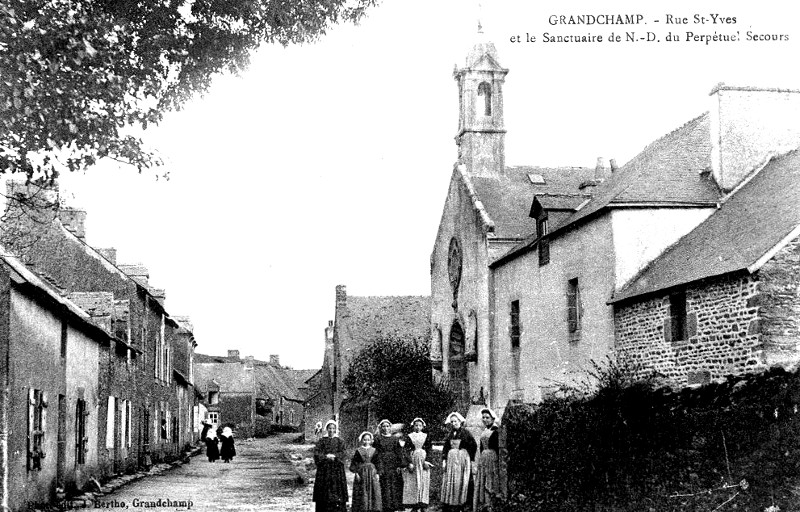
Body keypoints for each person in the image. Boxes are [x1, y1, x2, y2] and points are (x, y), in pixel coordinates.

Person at [440, 412, 477, 512]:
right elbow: (446, 448)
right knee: (452, 481)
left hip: (461, 461)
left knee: (462, 481)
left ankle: (463, 504)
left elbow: (473, 445)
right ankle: (452, 503)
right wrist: (444, 460)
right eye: (451, 422)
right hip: (452, 462)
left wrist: (466, 455)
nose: (453, 423)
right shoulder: (450, 434)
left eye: (455, 421)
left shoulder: (465, 433)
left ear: (460, 421)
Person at [313, 420, 348, 512]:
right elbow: (317, 453)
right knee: (324, 491)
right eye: (329, 428)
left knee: (337, 490)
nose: (331, 430)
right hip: (324, 470)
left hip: (337, 470)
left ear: (336, 429)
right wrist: (325, 457)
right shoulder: (321, 441)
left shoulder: (340, 441)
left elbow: (344, 453)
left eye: (333, 428)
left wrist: (335, 456)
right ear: (326, 429)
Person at [401, 417, 433, 512]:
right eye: (416, 425)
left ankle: (422, 504)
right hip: (414, 460)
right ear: (413, 426)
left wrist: (427, 461)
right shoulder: (410, 436)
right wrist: (409, 463)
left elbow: (429, 450)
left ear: (423, 426)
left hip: (423, 461)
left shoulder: (426, 436)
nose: (418, 427)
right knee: (414, 482)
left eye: (420, 425)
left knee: (423, 481)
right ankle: (414, 504)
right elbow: (406, 450)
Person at [373, 419, 403, 512]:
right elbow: (375, 453)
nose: (386, 428)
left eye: (387, 426)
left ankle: (395, 505)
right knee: (384, 484)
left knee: (394, 484)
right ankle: (386, 506)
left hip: (393, 464)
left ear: (390, 428)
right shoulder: (377, 439)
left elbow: (399, 452)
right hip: (382, 463)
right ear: (380, 428)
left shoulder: (395, 439)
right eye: (384, 426)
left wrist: (399, 465)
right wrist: (378, 465)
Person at [473, 408, 500, 512]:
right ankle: (483, 504)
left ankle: (490, 505)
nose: (485, 419)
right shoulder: (484, 431)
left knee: (490, 481)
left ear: (493, 418)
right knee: (482, 480)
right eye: (483, 417)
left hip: (492, 459)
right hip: (483, 459)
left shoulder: (496, 431)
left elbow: (497, 448)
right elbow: (480, 448)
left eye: (487, 417)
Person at [350, 431, 382, 512]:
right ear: (361, 440)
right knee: (362, 490)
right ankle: (363, 508)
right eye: (364, 439)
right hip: (362, 473)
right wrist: (356, 473)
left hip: (372, 473)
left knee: (373, 490)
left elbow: (378, 462)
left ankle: (372, 508)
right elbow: (354, 463)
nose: (366, 441)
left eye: (368, 440)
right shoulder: (358, 450)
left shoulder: (374, 450)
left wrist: (378, 473)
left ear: (371, 441)